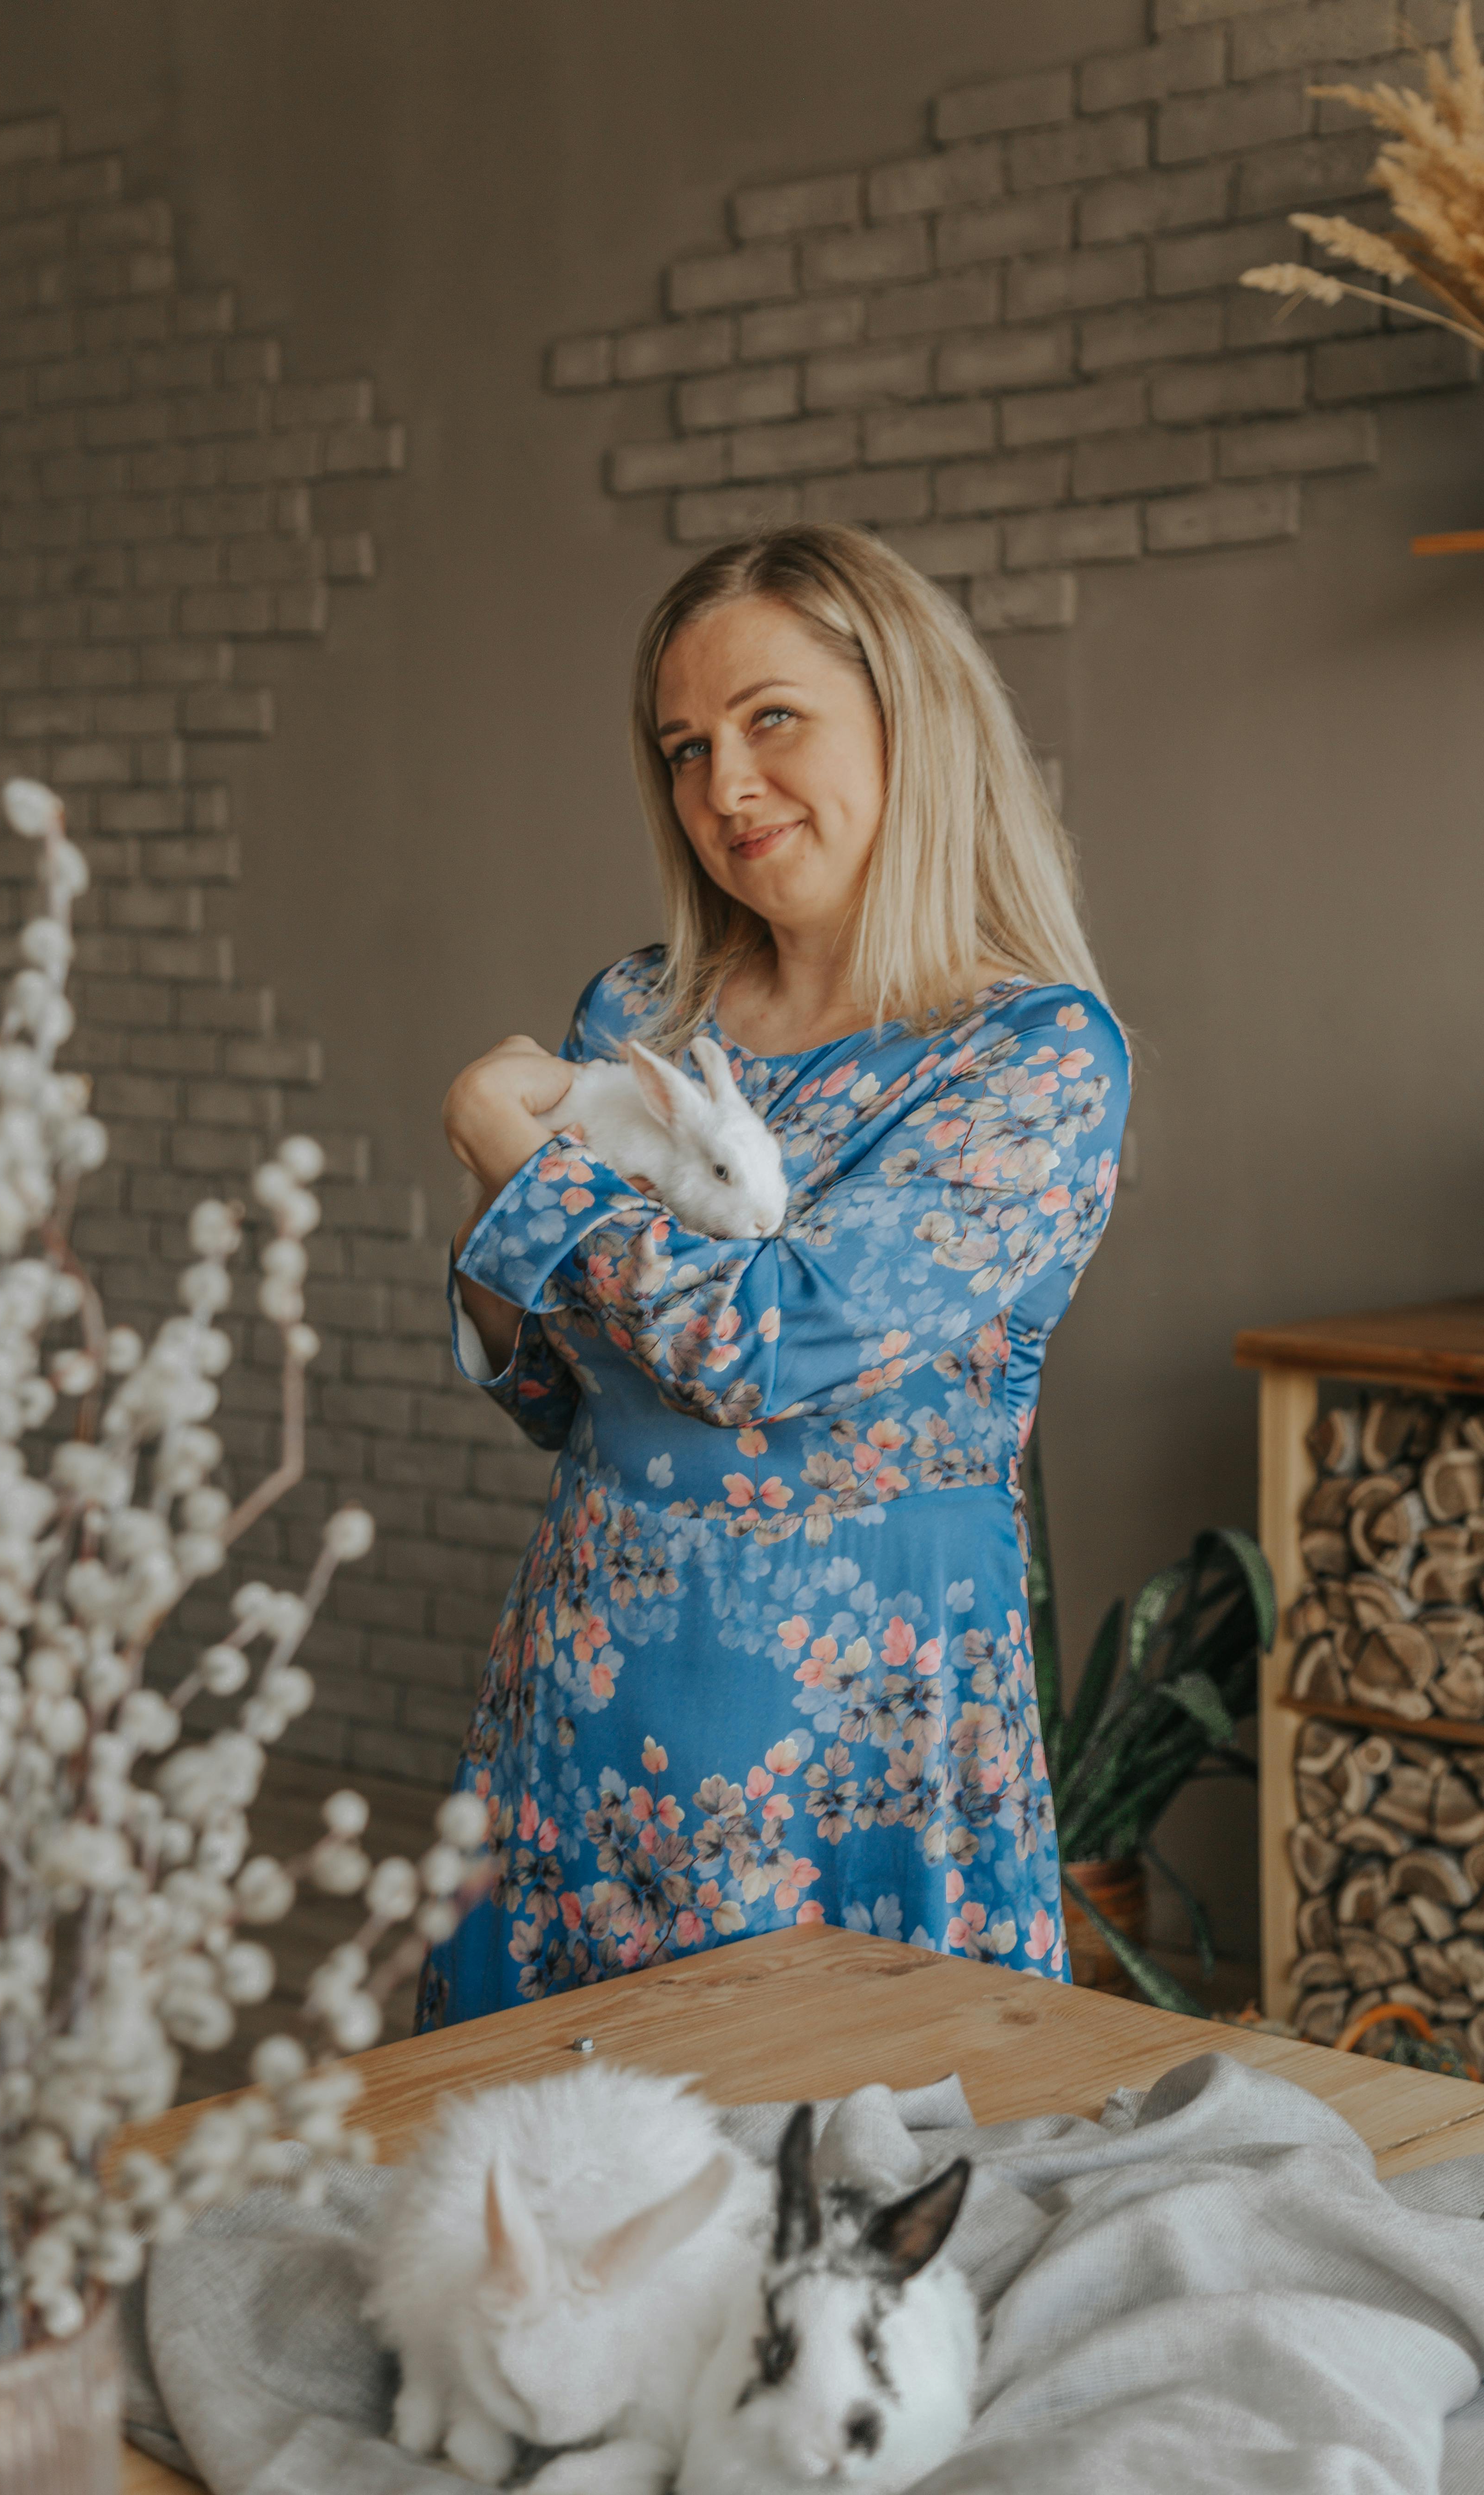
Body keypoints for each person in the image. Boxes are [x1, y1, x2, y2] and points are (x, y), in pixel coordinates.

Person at [417, 522, 1127, 2029]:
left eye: (772, 720)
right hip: (585, 1694)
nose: (723, 787)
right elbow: (564, 1392)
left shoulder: (1034, 1056)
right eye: (685, 748)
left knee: (835, 2195)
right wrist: (494, 1259)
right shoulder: (639, 1011)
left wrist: (519, 1167)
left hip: (857, 1738)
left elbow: (760, 1349)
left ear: (909, 720)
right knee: (530, 2201)